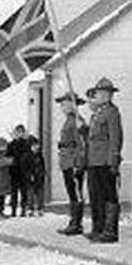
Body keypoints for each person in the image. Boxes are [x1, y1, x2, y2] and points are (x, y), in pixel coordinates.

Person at [86, 77, 124, 244]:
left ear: (109, 95)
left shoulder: (112, 112)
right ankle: (98, 228)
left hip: (105, 160)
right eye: (99, 92)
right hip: (94, 160)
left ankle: (110, 231)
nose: (99, 95)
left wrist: (113, 160)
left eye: (102, 92)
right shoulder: (98, 113)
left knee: (109, 195)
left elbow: (116, 138)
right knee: (96, 195)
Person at [55, 91, 88, 236]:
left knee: (75, 192)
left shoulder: (76, 120)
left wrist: (79, 162)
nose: (61, 105)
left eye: (64, 102)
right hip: (67, 160)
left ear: (72, 103)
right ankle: (73, 221)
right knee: (72, 192)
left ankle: (77, 224)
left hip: (73, 161)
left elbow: (82, 143)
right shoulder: (69, 120)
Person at [7, 124, 31, 217]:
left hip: (24, 172)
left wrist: (29, 170)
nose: (19, 134)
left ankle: (23, 209)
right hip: (14, 172)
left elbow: (29, 159)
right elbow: (8, 158)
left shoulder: (26, 144)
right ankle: (13, 210)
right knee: (14, 192)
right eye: (18, 132)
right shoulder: (11, 144)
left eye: (21, 132)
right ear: (15, 133)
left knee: (24, 192)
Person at [25, 135, 47, 216]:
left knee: (40, 194)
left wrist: (43, 173)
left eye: (37, 145)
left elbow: (42, 165)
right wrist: (29, 175)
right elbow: (25, 168)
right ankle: (30, 208)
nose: (36, 147)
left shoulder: (39, 155)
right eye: (34, 145)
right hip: (31, 178)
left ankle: (40, 208)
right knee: (30, 194)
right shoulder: (27, 156)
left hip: (39, 177)